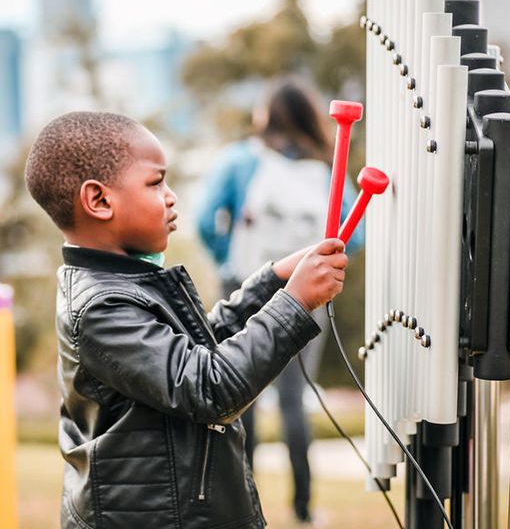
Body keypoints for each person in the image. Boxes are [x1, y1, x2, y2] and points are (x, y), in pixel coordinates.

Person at [24, 110, 348, 529]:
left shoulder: (132, 284)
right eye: (156, 182)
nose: (171, 196)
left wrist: (274, 281)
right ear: (99, 200)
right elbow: (209, 386)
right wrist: (295, 303)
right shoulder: (102, 308)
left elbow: (200, 351)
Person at [196, 78, 364, 524]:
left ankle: (239, 503)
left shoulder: (239, 160)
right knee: (295, 401)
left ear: (265, 115)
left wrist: (228, 262)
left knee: (235, 393)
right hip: (309, 295)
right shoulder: (329, 168)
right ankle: (304, 508)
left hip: (242, 286)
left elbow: (203, 218)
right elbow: (355, 233)